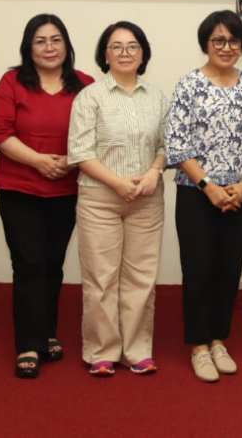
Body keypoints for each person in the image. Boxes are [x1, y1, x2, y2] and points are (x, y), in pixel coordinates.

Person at [0, 14, 94, 379]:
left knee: (52, 264)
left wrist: (69, 160)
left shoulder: (85, 85)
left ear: (67, 45)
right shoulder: (13, 82)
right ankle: (27, 344)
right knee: (29, 264)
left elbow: (97, 134)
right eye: (40, 41)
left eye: (56, 40)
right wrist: (38, 161)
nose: (49, 47)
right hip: (21, 188)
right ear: (28, 48)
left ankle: (47, 331)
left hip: (65, 189)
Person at [165, 11, 242, 383]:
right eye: (218, 41)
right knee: (199, 269)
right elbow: (177, 145)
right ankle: (197, 345)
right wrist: (209, 187)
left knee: (228, 270)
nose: (226, 47)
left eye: (233, 41)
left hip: (240, 192)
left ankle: (218, 339)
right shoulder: (189, 85)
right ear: (206, 44)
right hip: (196, 193)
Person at [67, 21, 167, 376]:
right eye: (117, 46)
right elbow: (79, 152)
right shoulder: (89, 96)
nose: (125, 53)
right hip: (99, 199)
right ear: (104, 54)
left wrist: (154, 171)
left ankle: (137, 350)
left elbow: (165, 147)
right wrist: (117, 183)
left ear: (143, 54)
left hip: (147, 199)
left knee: (141, 278)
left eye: (132, 46)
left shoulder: (156, 96)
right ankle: (102, 351)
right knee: (101, 278)